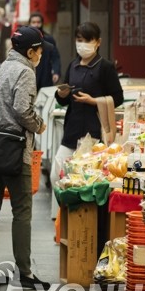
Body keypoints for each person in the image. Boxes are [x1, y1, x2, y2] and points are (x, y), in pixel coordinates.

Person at [0, 26, 50, 290]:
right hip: (15, 150)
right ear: (31, 51)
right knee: (22, 212)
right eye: (39, 50)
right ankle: (25, 273)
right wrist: (38, 124)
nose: (40, 55)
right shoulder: (25, 71)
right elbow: (22, 109)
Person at [51, 22, 125, 189]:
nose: (82, 44)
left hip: (94, 133)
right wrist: (61, 94)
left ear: (98, 42)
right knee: (57, 174)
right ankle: (60, 214)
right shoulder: (73, 65)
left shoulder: (105, 67)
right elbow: (64, 99)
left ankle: (82, 215)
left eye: (87, 40)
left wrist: (94, 101)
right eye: (79, 40)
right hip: (72, 129)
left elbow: (118, 97)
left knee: (86, 179)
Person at [28, 12, 61, 89]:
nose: (36, 25)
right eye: (33, 22)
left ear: (42, 23)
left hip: (46, 75)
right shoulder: (26, 40)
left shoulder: (49, 40)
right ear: (29, 24)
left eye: (38, 22)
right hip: (30, 75)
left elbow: (55, 57)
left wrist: (56, 72)